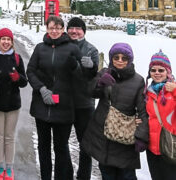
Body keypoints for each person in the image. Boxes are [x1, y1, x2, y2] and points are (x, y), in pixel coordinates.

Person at [82, 43, 149, 180]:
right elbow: (90, 93)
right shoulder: (104, 73)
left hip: (124, 138)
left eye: (124, 58)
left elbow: (143, 111)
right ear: (111, 58)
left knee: (127, 176)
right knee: (107, 174)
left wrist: (142, 137)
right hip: (103, 136)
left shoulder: (138, 81)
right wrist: (100, 83)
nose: (119, 60)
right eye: (116, 57)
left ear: (129, 60)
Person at [27, 15, 82, 180]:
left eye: (58, 28)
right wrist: (42, 89)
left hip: (63, 107)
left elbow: (82, 77)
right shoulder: (39, 48)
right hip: (41, 105)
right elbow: (30, 71)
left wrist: (78, 67)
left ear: (62, 29)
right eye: (51, 28)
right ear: (47, 29)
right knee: (43, 147)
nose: (54, 31)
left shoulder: (72, 49)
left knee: (61, 148)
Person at [0, 28, 27, 180]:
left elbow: (25, 82)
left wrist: (17, 77)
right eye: (3, 39)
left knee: (9, 137)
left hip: (13, 104)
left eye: (8, 40)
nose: (6, 42)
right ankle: (0, 167)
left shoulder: (17, 58)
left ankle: (9, 168)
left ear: (12, 42)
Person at [67, 17, 99, 180]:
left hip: (84, 104)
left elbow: (93, 77)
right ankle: (66, 174)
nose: (74, 31)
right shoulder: (61, 47)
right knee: (61, 144)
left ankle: (83, 176)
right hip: (64, 103)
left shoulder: (91, 50)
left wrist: (91, 67)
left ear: (84, 31)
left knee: (85, 145)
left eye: (77, 28)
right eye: (71, 28)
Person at [144, 50, 176, 180]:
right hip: (152, 148)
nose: (157, 73)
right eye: (153, 70)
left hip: (171, 147)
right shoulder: (147, 92)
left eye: (161, 70)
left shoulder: (173, 90)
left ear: (167, 72)